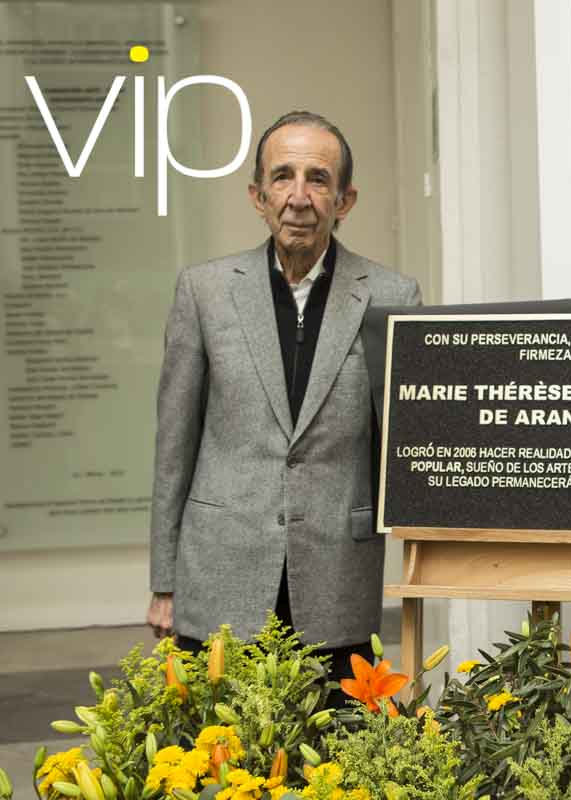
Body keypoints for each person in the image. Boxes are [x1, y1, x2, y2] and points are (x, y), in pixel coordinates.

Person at [145, 111, 422, 684]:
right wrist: (164, 582)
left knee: (337, 760)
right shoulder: (205, 291)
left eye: (318, 179)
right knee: (221, 758)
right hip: (221, 572)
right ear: (257, 195)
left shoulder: (393, 296)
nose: (299, 196)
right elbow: (175, 444)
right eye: (282, 177)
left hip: (336, 576)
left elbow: (407, 445)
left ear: (344, 200)